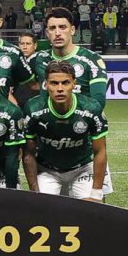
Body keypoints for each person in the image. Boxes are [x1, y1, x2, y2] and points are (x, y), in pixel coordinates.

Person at [22, 60, 109, 202]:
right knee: (43, 211)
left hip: (83, 168)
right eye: (54, 83)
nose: (60, 88)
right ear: (46, 85)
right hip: (48, 170)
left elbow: (100, 151)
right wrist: (35, 193)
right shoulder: (33, 109)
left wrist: (96, 193)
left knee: (93, 211)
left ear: (74, 83)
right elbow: (28, 154)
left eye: (65, 83)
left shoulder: (91, 108)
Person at [30, 7, 109, 108]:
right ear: (47, 33)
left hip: (81, 122)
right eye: (52, 28)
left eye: (62, 27)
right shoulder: (39, 59)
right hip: (47, 122)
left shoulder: (91, 60)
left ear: (72, 30)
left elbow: (98, 103)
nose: (57, 33)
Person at [14, 33, 41, 108]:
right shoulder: (15, 60)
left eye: (28, 44)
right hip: (17, 103)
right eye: (22, 44)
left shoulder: (40, 61)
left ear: (35, 46)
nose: (25, 47)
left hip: (35, 105)